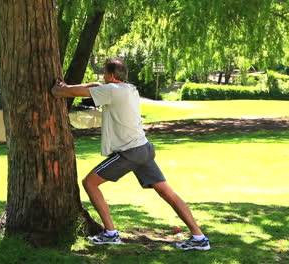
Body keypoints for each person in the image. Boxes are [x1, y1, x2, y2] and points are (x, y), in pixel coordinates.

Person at [51, 57, 210, 251]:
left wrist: (60, 89)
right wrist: (69, 86)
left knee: (89, 183)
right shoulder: (129, 89)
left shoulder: (110, 91)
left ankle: (110, 233)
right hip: (143, 148)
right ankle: (199, 237)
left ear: (109, 75)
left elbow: (74, 92)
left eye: (104, 73)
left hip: (129, 152)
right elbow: (92, 86)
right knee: (167, 192)